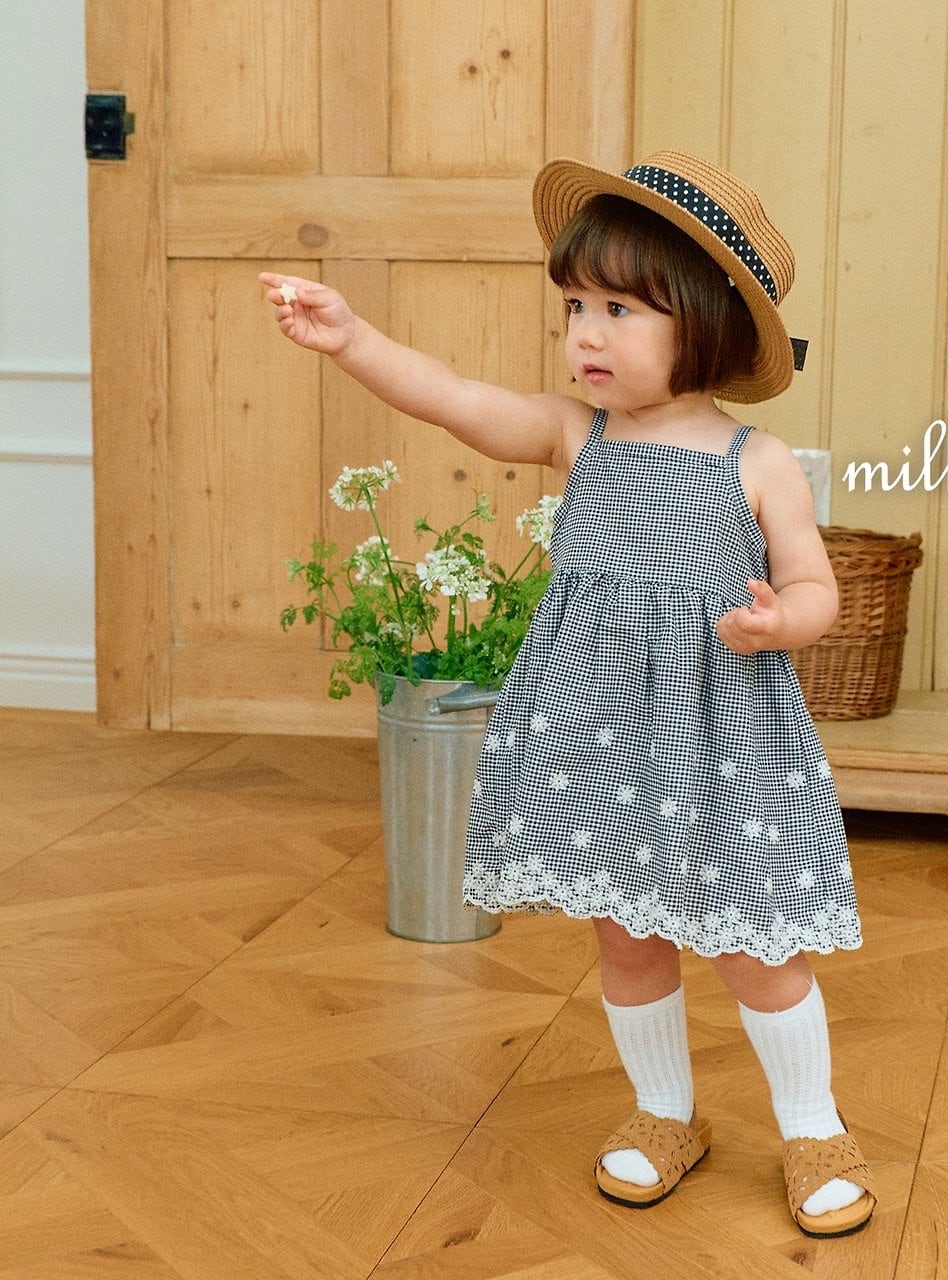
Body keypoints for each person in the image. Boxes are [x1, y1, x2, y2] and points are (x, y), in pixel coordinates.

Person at [261, 150, 874, 1239]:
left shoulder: (757, 460)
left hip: (715, 738)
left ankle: (814, 1126)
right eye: (574, 308)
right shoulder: (573, 433)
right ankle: (664, 1112)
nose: (585, 334)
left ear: (702, 322)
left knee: (753, 945)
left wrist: (782, 620)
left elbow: (816, 585)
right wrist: (352, 339)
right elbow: (455, 401)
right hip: (597, 736)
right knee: (625, 936)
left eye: (618, 311)